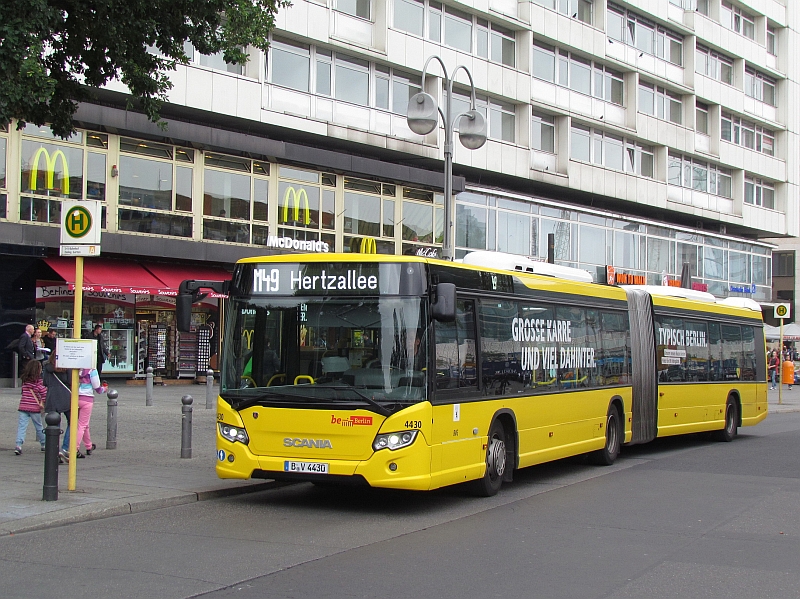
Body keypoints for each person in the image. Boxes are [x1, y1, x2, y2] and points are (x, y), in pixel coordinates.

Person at [43, 352, 72, 464]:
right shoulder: (67, 366)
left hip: (52, 396)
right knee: (73, 421)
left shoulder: (47, 366)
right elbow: (70, 381)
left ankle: (54, 449)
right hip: (66, 396)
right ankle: (64, 448)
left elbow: (45, 382)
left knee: (53, 424)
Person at [14, 360, 47, 455]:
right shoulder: (39, 382)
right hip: (34, 408)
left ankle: (18, 445)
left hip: (23, 406)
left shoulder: (25, 381)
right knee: (39, 426)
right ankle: (44, 444)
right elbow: (44, 393)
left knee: (22, 427)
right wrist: (42, 402)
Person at [74, 367, 107, 457]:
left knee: (84, 424)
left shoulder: (76, 368)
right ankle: (74, 448)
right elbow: (97, 387)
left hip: (75, 397)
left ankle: (88, 446)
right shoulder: (92, 370)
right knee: (82, 425)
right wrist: (104, 389)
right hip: (87, 398)